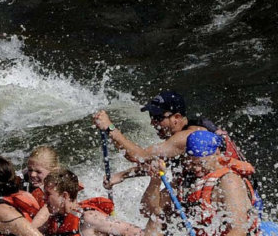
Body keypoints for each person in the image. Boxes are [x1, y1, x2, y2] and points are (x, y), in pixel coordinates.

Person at [139, 130, 266, 236]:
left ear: (217, 154)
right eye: (191, 163)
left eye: (201, 164)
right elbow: (149, 210)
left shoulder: (229, 182)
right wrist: (155, 181)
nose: (196, 169)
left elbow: (239, 231)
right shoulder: (187, 179)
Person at [91, 90, 253, 215]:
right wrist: (121, 176)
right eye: (151, 117)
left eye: (157, 117)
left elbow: (138, 156)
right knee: (148, 209)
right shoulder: (189, 133)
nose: (152, 122)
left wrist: (109, 128)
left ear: (176, 117)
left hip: (230, 195)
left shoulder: (186, 137)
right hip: (212, 187)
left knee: (155, 211)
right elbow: (156, 163)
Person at [42, 167, 142, 236]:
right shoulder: (56, 220)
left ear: (65, 196)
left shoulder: (88, 217)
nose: (43, 198)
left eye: (48, 194)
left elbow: (135, 232)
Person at [23, 146, 58, 229]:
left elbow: (46, 211)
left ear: (53, 171)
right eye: (30, 170)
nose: (32, 175)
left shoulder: (57, 188)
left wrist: (29, 231)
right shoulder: (24, 180)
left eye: (38, 172)